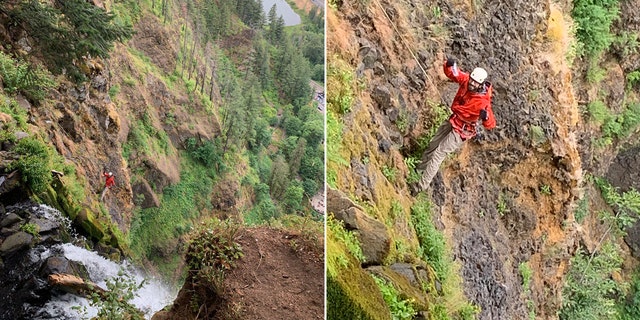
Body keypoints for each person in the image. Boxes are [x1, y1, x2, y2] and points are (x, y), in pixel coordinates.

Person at [412, 57, 496, 195]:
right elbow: (454, 73)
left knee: (439, 153)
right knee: (433, 143)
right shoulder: (466, 80)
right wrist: (449, 65)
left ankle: (421, 185)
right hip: (454, 119)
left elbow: (491, 124)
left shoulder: (483, 102)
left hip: (462, 130)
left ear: (480, 85)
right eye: (472, 81)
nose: (472, 84)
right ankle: (419, 168)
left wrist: (485, 117)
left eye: (475, 83)